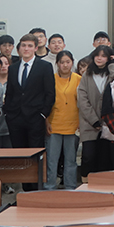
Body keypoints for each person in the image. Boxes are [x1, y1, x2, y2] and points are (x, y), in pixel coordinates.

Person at [3, 33, 55, 189]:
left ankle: (35, 191)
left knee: (35, 155)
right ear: (19, 48)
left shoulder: (44, 66)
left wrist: (43, 114)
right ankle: (25, 190)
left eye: (30, 46)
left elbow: (50, 94)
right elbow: (11, 92)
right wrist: (8, 113)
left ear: (36, 48)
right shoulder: (13, 68)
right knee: (20, 156)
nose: (26, 49)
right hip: (15, 118)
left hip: (35, 118)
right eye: (23, 45)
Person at [78, 46, 114, 181]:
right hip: (89, 123)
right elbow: (82, 99)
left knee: (104, 157)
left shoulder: (111, 74)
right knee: (88, 156)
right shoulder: (87, 75)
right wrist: (94, 120)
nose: (99, 58)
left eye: (104, 56)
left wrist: (113, 66)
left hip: (108, 124)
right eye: (97, 55)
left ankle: (103, 185)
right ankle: (85, 183)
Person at [44, 50, 81, 189]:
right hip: (54, 124)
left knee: (70, 160)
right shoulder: (50, 79)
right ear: (57, 64)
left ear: (72, 63)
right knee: (51, 160)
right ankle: (49, 187)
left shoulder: (79, 79)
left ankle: (70, 186)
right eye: (62, 62)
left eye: (68, 62)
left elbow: (82, 103)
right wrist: (46, 121)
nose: (65, 65)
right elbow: (46, 102)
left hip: (73, 124)